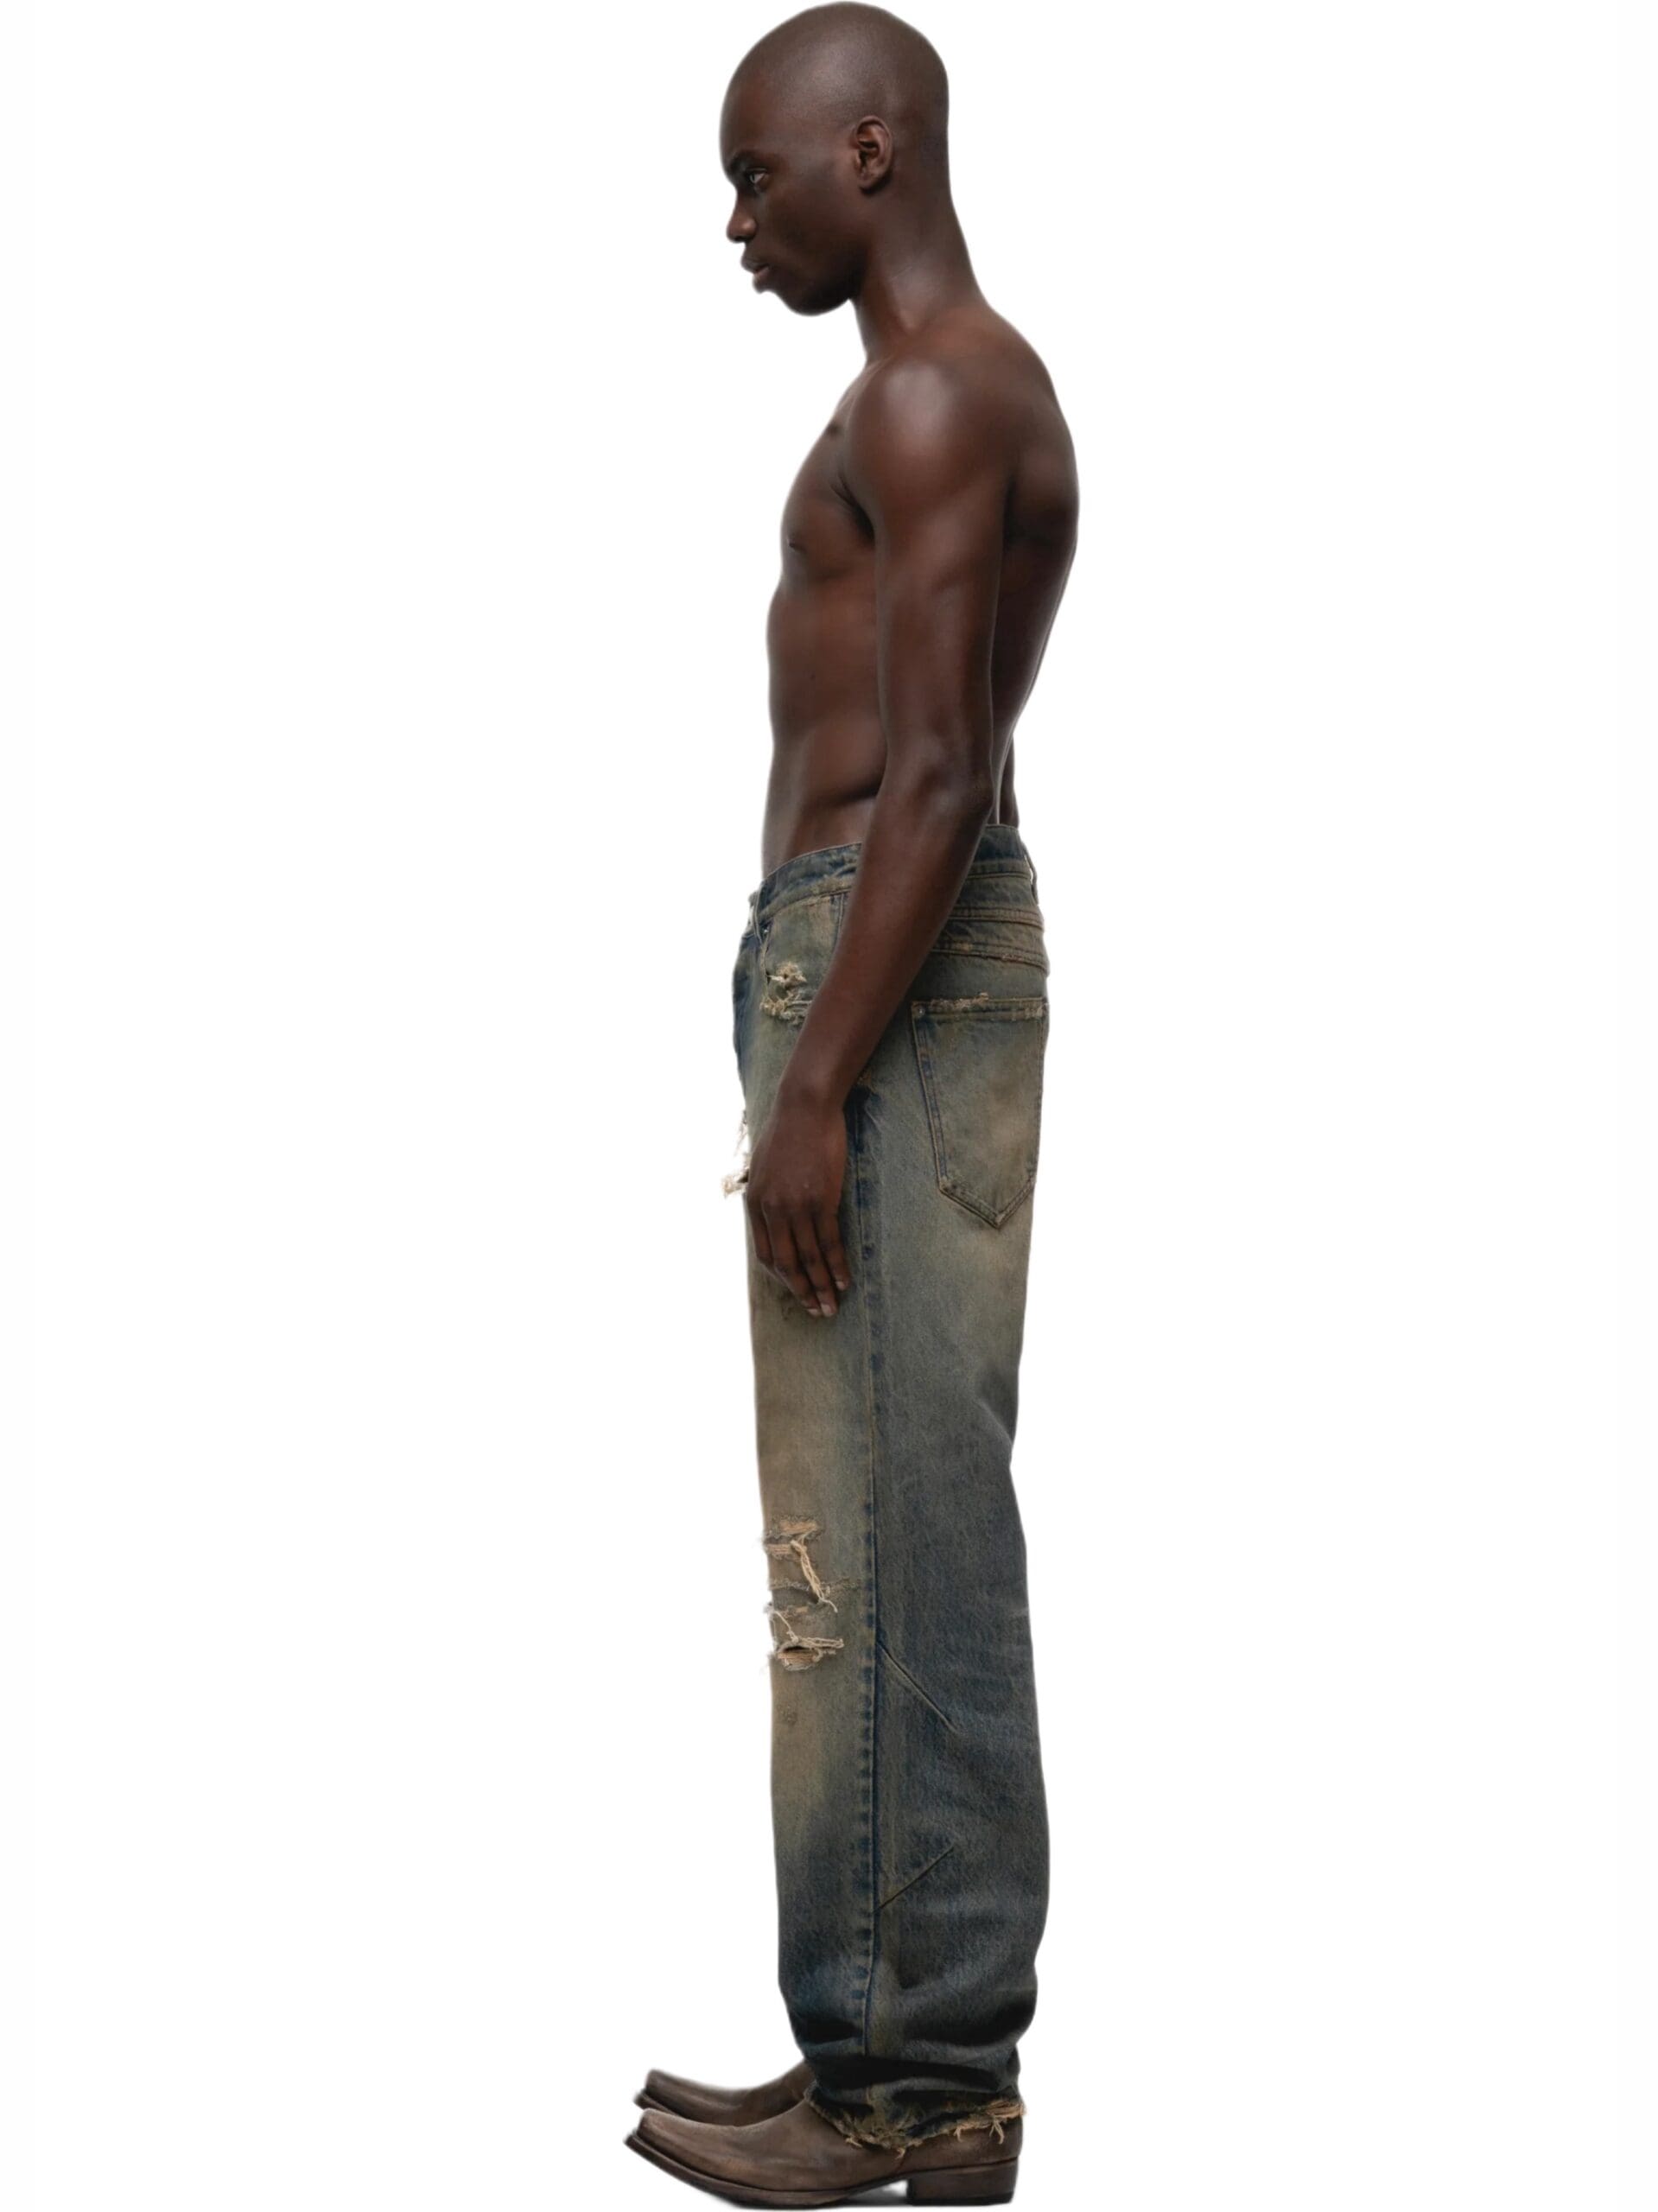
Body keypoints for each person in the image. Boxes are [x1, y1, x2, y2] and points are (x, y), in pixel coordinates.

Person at [626, 7, 1077, 2202]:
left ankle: (928, 2079)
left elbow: (940, 767)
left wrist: (817, 1076)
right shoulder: (920, 389)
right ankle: (872, 2039)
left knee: (901, 1531)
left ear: (872, 149)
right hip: (858, 948)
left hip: (887, 956)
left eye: (759, 172)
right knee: (851, 1533)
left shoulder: (939, 387)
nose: (737, 219)